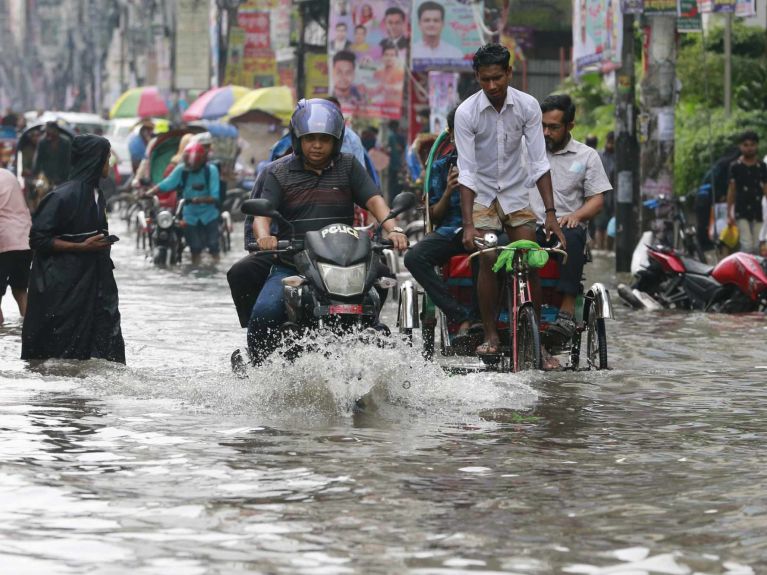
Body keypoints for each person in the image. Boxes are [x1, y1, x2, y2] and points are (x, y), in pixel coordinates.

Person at [247, 99, 407, 364]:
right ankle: (258, 370)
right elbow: (261, 216)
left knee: (382, 284)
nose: (317, 145)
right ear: (298, 139)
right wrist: (265, 236)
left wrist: (394, 228)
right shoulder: (278, 171)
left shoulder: (348, 165)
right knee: (264, 313)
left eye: (325, 139)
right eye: (310, 139)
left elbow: (375, 201)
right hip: (293, 265)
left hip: (345, 264)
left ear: (337, 140)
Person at [455, 43, 565, 357]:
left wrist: (551, 214)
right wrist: (467, 225)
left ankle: (537, 339)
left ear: (509, 73)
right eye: (485, 79)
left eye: (497, 78)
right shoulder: (467, 112)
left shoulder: (529, 106)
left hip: (517, 193)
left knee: (530, 258)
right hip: (482, 196)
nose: (492, 86)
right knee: (488, 257)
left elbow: (539, 161)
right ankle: (491, 335)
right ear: (477, 76)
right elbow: (467, 170)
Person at [21, 135, 125, 362]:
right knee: (60, 355)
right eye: (107, 159)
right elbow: (38, 239)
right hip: (64, 290)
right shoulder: (61, 196)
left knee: (103, 354)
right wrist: (80, 246)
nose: (109, 164)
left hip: (94, 286)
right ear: (95, 161)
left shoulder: (98, 194)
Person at [528, 94, 610, 347]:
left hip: (566, 226)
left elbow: (597, 199)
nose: (546, 132)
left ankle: (565, 312)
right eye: (542, 126)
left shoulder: (586, 156)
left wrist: (575, 216)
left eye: (553, 127)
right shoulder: (528, 151)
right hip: (531, 225)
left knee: (574, 238)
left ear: (569, 126)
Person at [404, 108, 481, 343]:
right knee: (413, 257)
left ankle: (480, 320)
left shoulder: (493, 165)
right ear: (451, 135)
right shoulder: (440, 167)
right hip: (451, 230)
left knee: (485, 251)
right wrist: (448, 191)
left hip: (486, 229)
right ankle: (460, 315)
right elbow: (435, 216)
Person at [150, 142, 221, 266]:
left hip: (209, 214)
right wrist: (149, 192)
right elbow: (167, 183)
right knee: (195, 247)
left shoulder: (211, 170)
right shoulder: (182, 169)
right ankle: (195, 266)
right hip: (190, 215)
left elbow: (215, 195)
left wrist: (197, 199)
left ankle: (215, 265)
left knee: (214, 246)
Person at [727, 130, 767, 254]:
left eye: (752, 145)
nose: (749, 148)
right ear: (740, 146)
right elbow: (731, 190)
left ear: (757, 146)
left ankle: (755, 272)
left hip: (758, 210)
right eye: (746, 145)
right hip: (741, 210)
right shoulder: (735, 166)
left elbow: (765, 187)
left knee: (756, 246)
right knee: (747, 245)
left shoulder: (762, 166)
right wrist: (729, 213)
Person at [0, 169, 32, 325]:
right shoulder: (8, 175)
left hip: (4, 239)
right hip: (25, 238)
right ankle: (29, 334)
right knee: (20, 290)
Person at [594, 130, 615, 250]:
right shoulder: (598, 155)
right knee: (600, 226)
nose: (610, 145)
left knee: (611, 226)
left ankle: (608, 250)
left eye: (613, 143)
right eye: (609, 142)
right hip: (600, 195)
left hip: (614, 197)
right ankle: (600, 250)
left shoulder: (619, 157)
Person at [32, 121, 72, 187]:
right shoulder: (42, 142)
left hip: (62, 177)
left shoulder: (65, 142)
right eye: (46, 131)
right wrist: (35, 174)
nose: (46, 133)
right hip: (47, 176)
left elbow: (68, 160)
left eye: (49, 131)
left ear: (55, 130)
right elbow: (38, 159)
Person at [386, 119, 405, 203]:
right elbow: (401, 150)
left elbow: (390, 151)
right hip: (398, 165)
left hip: (393, 165)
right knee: (398, 185)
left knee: (392, 185)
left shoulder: (390, 136)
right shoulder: (400, 136)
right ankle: (396, 202)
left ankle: (392, 202)